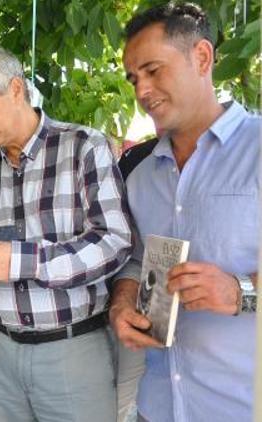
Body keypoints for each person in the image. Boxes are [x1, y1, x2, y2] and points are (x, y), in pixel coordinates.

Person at [0, 47, 132, 421]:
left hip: (71, 347)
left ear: (16, 89)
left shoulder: (83, 147)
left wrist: (24, 261)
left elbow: (114, 242)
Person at [110, 3, 259, 421]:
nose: (141, 91)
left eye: (153, 70)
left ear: (202, 57)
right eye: (133, 78)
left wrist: (242, 292)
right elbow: (135, 264)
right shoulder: (141, 179)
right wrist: (122, 306)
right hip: (157, 406)